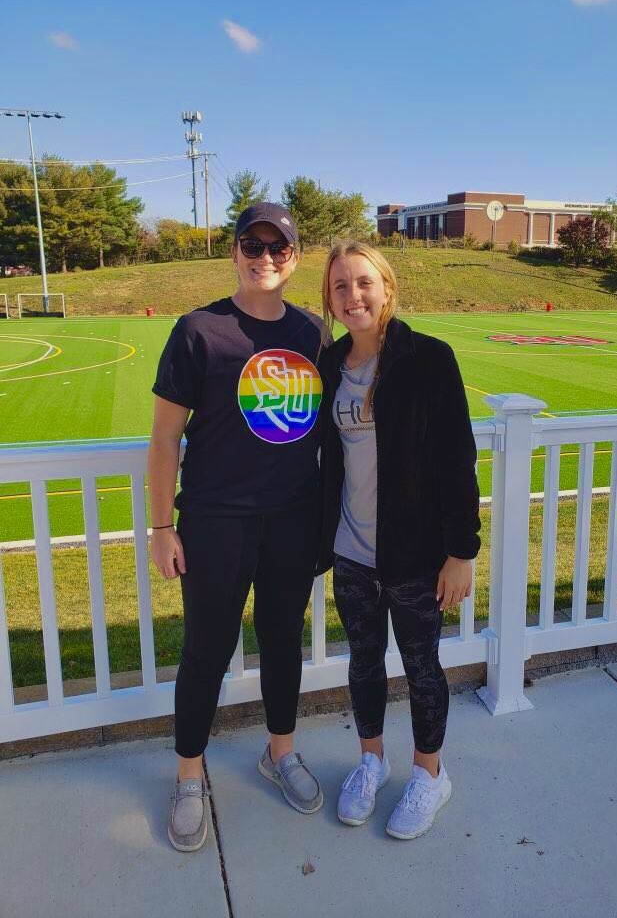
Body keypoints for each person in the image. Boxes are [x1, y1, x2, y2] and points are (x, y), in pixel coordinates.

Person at [148, 203, 325, 853]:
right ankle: (189, 773)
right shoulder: (198, 330)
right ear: (235, 250)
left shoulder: (312, 333)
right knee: (207, 649)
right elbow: (165, 436)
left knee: (282, 643)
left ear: (294, 258)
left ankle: (279, 750)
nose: (265, 257)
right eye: (253, 244)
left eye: (278, 247)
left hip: (291, 519)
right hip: (215, 521)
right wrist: (161, 525)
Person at [316, 242, 480, 840]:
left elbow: (458, 461)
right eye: (340, 286)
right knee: (363, 662)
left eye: (364, 283)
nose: (353, 296)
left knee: (421, 668)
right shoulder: (329, 364)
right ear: (329, 298)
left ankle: (430, 774)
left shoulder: (429, 359)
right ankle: (371, 760)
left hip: (415, 556)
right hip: (351, 552)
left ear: (386, 288)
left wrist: (461, 551)